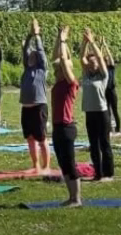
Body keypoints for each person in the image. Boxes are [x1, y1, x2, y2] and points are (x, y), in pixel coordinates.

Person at [50, 25, 84, 206]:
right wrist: (58, 37)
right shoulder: (58, 83)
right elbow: (56, 58)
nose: (55, 72)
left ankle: (77, 199)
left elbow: (63, 59)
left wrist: (63, 40)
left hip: (67, 127)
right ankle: (71, 197)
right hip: (57, 127)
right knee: (63, 164)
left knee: (70, 163)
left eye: (58, 70)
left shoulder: (71, 84)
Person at [80, 28, 116, 182]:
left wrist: (92, 42)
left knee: (104, 143)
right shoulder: (86, 75)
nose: (91, 64)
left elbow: (100, 58)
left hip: (102, 113)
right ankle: (98, 173)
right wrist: (84, 42)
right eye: (90, 62)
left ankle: (109, 173)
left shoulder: (103, 76)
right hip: (90, 113)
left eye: (93, 62)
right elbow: (81, 57)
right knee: (93, 144)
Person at [19, 20, 50, 175]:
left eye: (33, 55)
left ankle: (46, 166)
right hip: (26, 108)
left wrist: (36, 36)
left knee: (42, 138)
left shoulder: (42, 69)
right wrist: (29, 35)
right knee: (30, 138)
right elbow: (25, 49)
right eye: (29, 56)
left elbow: (41, 51)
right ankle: (35, 165)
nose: (30, 56)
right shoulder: (27, 69)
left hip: (39, 107)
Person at [102, 38, 121, 133]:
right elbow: (99, 58)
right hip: (105, 91)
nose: (106, 61)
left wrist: (105, 46)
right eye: (104, 61)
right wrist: (101, 48)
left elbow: (110, 57)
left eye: (106, 60)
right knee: (107, 111)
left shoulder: (111, 68)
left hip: (112, 91)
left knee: (115, 110)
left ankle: (118, 128)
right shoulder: (102, 70)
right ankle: (109, 128)